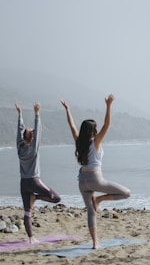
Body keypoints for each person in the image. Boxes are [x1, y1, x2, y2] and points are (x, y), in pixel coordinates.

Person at [61, 95, 130, 249]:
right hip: (95, 178)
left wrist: (68, 109)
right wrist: (109, 105)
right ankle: (99, 199)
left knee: (90, 213)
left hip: (82, 181)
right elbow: (107, 125)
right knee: (126, 193)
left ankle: (95, 243)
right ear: (93, 130)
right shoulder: (95, 142)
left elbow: (71, 126)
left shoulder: (80, 142)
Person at [15, 102, 61, 243]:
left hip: (24, 183)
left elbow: (19, 131)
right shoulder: (33, 148)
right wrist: (37, 114)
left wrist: (20, 115)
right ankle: (37, 198)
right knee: (56, 198)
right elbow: (38, 130)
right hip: (34, 181)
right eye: (32, 133)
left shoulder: (19, 147)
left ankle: (31, 238)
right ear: (32, 138)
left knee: (27, 211)